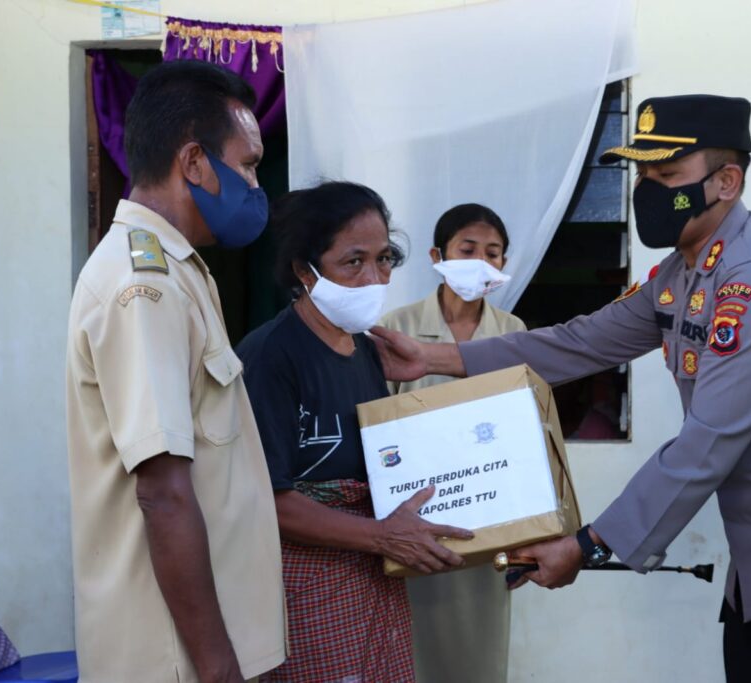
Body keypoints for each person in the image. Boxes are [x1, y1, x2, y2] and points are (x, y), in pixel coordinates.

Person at [371, 95, 751, 682]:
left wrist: (587, 544)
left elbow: (709, 440)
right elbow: (578, 343)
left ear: (726, 181)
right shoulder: (684, 273)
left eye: (667, 177)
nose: (648, 192)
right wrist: (434, 356)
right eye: (641, 176)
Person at [65, 61, 285, 683]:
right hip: (174, 659)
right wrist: (217, 669)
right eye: (246, 164)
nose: (253, 183)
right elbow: (162, 491)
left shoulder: (181, 269)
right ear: (193, 161)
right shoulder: (146, 286)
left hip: (202, 646)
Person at [234, 182, 473, 683]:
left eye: (384, 259)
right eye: (353, 262)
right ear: (305, 270)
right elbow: (266, 498)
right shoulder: (271, 357)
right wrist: (381, 536)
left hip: (374, 583)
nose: (373, 277)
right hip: (305, 592)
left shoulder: (367, 352)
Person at [379, 203, 526, 683]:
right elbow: (379, 428)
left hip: (490, 519)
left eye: (494, 252)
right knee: (412, 650)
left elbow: (525, 429)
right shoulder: (395, 328)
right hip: (413, 519)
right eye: (468, 249)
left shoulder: (514, 332)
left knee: (478, 656)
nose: (481, 261)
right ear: (436, 255)